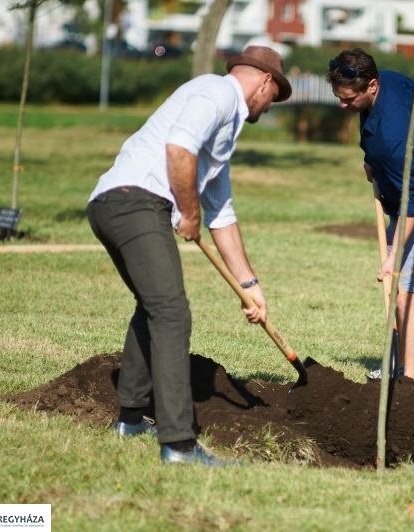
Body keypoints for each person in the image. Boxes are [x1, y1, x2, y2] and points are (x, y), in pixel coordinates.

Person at [86, 46, 291, 466]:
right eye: (275, 96)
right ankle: (179, 445)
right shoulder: (215, 92)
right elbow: (179, 148)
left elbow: (222, 214)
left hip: (113, 204)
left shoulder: (225, 127)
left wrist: (249, 286)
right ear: (265, 81)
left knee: (155, 306)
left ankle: (129, 419)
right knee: (172, 312)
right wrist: (189, 213)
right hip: (135, 201)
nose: (270, 108)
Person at [325, 48, 414, 384]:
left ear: (371, 85)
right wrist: (373, 159)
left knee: (406, 295)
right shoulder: (389, 81)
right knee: (397, 292)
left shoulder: (395, 136)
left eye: (348, 100)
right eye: (339, 98)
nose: (342, 106)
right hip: (410, 193)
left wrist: (394, 256)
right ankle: (398, 368)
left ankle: (409, 387)